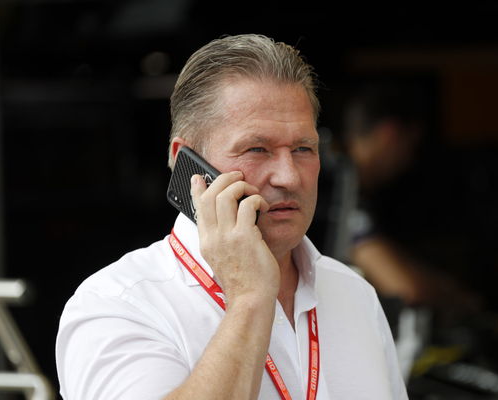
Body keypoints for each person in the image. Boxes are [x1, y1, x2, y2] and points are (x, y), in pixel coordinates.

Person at [55, 34, 408, 399]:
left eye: (303, 148)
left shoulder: (354, 294)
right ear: (186, 161)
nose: (288, 177)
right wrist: (250, 299)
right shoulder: (119, 304)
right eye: (257, 149)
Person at [341, 84, 481, 313]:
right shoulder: (335, 186)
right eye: (410, 146)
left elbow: (377, 247)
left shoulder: (349, 186)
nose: (409, 160)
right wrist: (452, 296)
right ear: (390, 135)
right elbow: (403, 288)